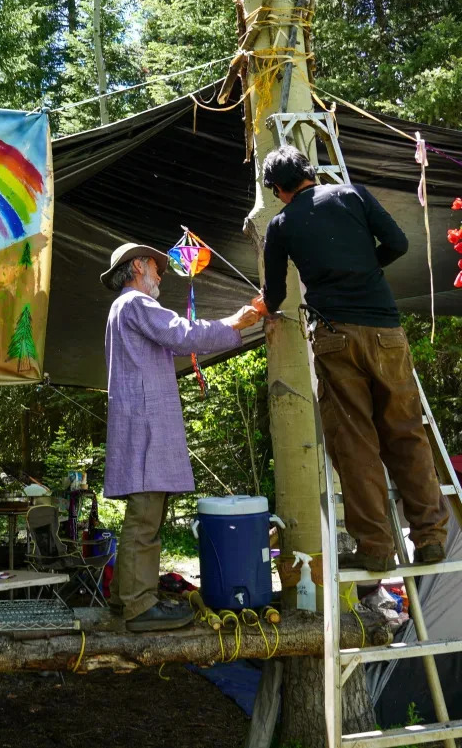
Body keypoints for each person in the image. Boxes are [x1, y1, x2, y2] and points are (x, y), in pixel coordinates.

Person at [258, 145, 448, 571]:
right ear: (308, 172)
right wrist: (366, 267)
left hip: (334, 336)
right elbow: (397, 243)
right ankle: (431, 538)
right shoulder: (354, 195)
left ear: (278, 188)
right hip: (386, 331)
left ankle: (377, 550)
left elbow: (274, 295)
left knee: (356, 444)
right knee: (407, 433)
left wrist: (264, 306)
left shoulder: (281, 224)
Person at [101, 243, 261, 631]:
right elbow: (183, 334)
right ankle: (139, 607)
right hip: (145, 427)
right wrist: (237, 321)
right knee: (145, 518)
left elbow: (174, 340)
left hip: (142, 424)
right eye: (155, 268)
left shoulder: (125, 308)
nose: (159, 276)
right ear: (137, 266)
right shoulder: (135, 303)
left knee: (144, 517)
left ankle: (127, 600)